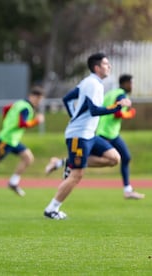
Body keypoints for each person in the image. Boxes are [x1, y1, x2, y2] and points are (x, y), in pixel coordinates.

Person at [43, 53, 132, 220]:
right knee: (77, 175)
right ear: (97, 68)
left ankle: (68, 162)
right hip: (79, 135)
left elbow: (67, 99)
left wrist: (73, 116)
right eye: (106, 64)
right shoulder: (92, 84)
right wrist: (117, 106)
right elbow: (94, 110)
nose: (109, 66)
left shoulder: (90, 82)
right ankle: (51, 209)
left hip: (89, 135)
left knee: (114, 158)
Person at [45, 74, 144, 200]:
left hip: (110, 132)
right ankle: (63, 163)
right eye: (131, 83)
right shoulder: (120, 95)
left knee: (125, 157)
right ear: (125, 84)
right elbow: (117, 113)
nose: (132, 86)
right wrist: (129, 114)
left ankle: (127, 190)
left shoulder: (110, 93)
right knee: (82, 160)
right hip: (106, 132)